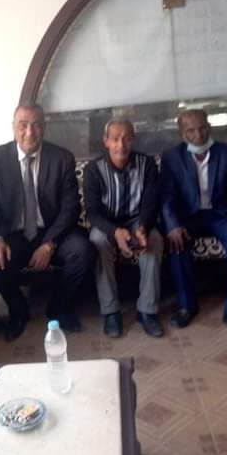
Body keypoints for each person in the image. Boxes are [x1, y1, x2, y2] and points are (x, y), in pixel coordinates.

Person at [0, 103, 95, 341]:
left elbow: (70, 207)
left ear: (44, 128)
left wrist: (49, 243)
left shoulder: (62, 158)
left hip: (52, 230)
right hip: (14, 234)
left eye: (36, 125)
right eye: (23, 125)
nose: (29, 132)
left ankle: (58, 306)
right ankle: (18, 310)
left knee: (83, 251)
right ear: (13, 127)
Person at [161, 110, 227, 337]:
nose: (198, 135)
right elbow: (166, 198)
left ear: (209, 127)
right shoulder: (172, 158)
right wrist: (172, 225)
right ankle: (187, 306)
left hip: (221, 214)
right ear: (182, 133)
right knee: (177, 243)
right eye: (190, 130)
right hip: (188, 217)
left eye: (202, 128)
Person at [84, 119, 163, 338]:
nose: (121, 144)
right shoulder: (93, 169)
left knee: (154, 240)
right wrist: (114, 232)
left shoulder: (147, 164)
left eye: (127, 138)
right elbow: (93, 212)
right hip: (106, 223)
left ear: (133, 139)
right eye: (115, 139)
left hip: (138, 219)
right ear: (106, 141)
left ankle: (147, 311)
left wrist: (143, 227)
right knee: (97, 241)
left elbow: (150, 202)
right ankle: (111, 311)